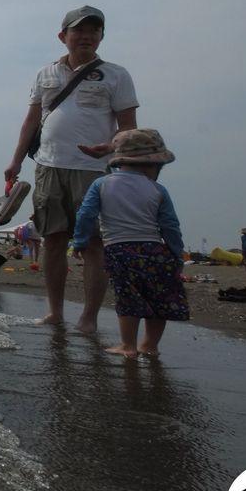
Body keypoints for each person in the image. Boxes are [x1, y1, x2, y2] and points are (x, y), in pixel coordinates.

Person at [4, 5, 138, 331]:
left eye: (95, 30)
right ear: (63, 36)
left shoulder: (116, 75)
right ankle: (55, 312)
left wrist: (110, 147)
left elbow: (129, 127)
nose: (87, 36)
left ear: (102, 36)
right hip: (48, 167)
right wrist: (16, 160)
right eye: (79, 30)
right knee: (52, 240)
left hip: (94, 170)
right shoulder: (45, 73)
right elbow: (32, 120)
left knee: (92, 243)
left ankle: (89, 318)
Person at [72, 129, 187, 358]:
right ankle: (150, 345)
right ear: (154, 165)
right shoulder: (157, 189)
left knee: (128, 297)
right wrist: (176, 253)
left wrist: (80, 240)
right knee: (158, 297)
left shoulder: (102, 184)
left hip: (119, 249)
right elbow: (170, 226)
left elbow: (86, 215)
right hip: (155, 250)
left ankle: (128, 345)